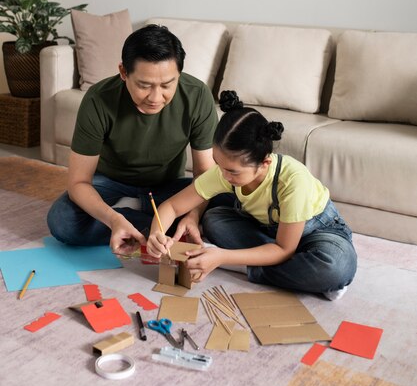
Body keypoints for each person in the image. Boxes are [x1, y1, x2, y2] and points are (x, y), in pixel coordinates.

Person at [147, 90, 357, 301]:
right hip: (270, 232)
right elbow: (173, 207)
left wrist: (223, 257)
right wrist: (157, 233)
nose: (223, 175)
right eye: (218, 164)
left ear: (264, 163)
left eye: (233, 172)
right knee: (214, 220)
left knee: (335, 269)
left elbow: (284, 249)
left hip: (317, 233)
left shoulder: (293, 181)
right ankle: (289, 268)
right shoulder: (226, 170)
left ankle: (246, 266)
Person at [47, 24, 219, 255]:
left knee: (227, 200)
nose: (156, 98)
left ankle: (144, 216)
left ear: (179, 74)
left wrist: (192, 215)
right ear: (123, 72)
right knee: (62, 221)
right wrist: (113, 219)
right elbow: (78, 183)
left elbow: (205, 177)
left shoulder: (197, 95)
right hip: (110, 182)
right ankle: (140, 220)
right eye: (144, 85)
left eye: (168, 85)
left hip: (168, 186)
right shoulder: (99, 99)